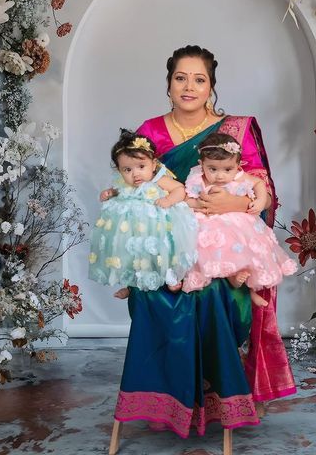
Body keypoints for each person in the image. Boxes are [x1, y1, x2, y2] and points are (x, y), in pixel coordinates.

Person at [102, 45, 296, 437]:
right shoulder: (150, 131)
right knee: (153, 292)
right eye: (180, 78)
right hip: (165, 244)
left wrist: (236, 202)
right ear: (169, 84)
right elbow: (135, 184)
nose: (189, 86)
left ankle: (212, 403)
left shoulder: (233, 131)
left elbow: (263, 191)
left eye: (199, 79)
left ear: (211, 87)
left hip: (221, 246)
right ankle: (171, 399)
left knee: (211, 294)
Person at [182, 132, 297, 305]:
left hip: (237, 223)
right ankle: (232, 279)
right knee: (209, 247)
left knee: (245, 251)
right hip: (206, 221)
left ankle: (250, 290)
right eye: (212, 169)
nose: (220, 176)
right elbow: (185, 200)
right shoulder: (197, 178)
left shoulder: (240, 176)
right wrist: (198, 204)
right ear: (201, 164)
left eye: (227, 169)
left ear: (238, 165)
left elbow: (259, 183)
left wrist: (259, 201)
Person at [89, 130, 197, 298]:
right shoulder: (123, 184)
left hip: (157, 228)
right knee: (129, 255)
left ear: (153, 164)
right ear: (119, 170)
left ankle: (171, 276)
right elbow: (118, 191)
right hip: (132, 231)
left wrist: (168, 200)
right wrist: (109, 193)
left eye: (141, 167)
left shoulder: (158, 179)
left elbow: (179, 189)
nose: (135, 174)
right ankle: (130, 285)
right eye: (127, 169)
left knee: (163, 253)